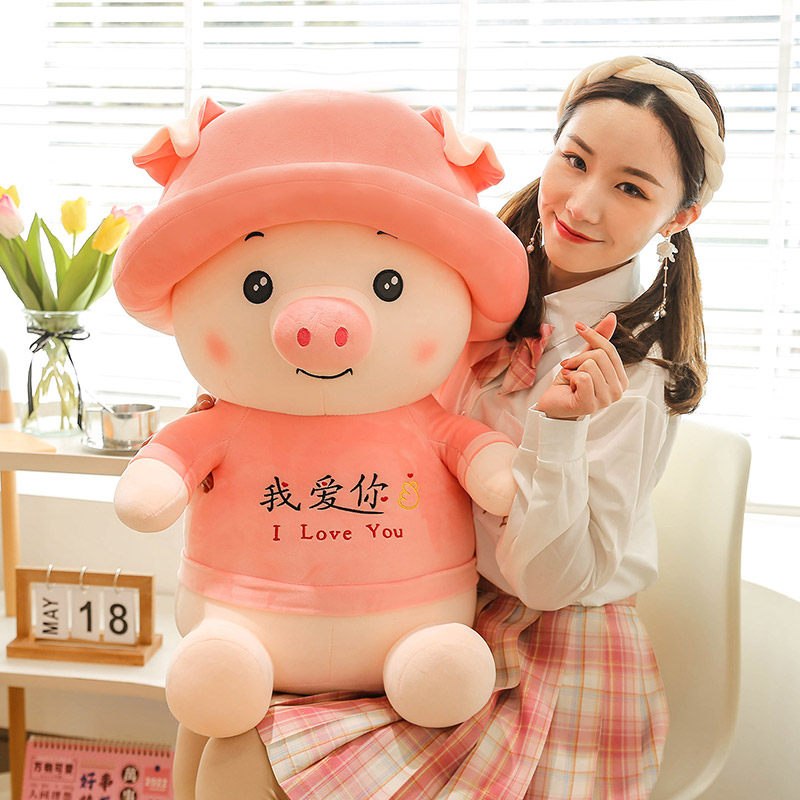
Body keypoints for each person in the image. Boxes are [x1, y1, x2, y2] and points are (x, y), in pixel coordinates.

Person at [187, 55, 726, 799]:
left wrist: (559, 432)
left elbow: (548, 583)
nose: (583, 204)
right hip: (419, 602)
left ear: (679, 218)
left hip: (546, 654)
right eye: (575, 161)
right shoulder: (472, 282)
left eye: (631, 188)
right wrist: (253, 412)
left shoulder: (635, 372)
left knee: (240, 765)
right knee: (208, 713)